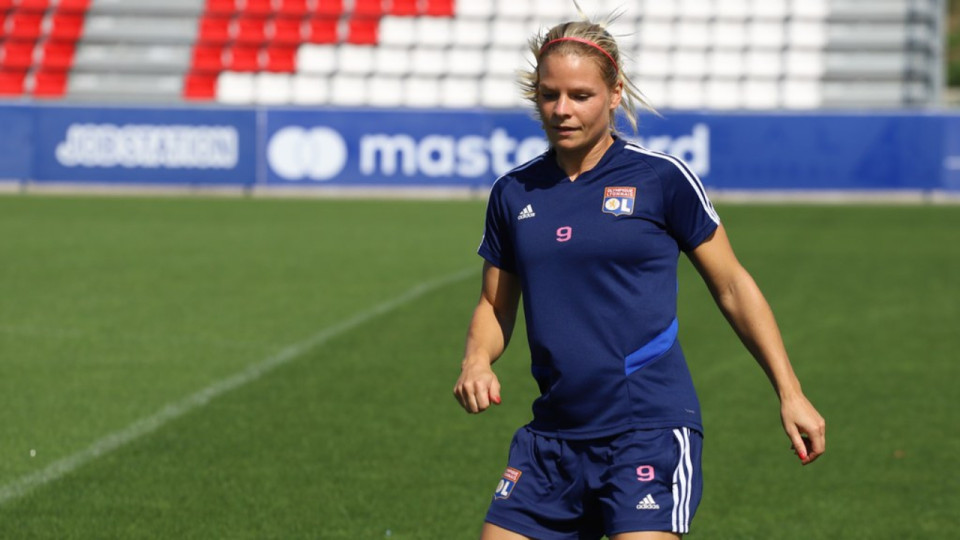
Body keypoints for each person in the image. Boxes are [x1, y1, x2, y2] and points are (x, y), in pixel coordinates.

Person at [452, 7, 826, 540]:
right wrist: (476, 360)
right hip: (552, 438)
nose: (562, 110)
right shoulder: (514, 193)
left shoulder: (661, 178)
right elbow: (495, 305)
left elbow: (733, 286)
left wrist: (790, 392)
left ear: (614, 92)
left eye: (580, 95)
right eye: (549, 95)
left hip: (646, 429)